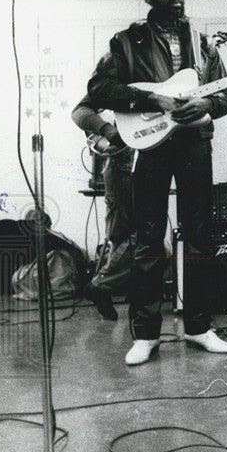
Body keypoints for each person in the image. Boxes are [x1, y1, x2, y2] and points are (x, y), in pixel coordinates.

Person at [87, 0, 227, 365]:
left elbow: (225, 97)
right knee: (148, 237)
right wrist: (153, 99)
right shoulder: (126, 41)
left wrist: (209, 102)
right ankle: (146, 333)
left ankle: (200, 327)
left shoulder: (204, 44)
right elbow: (98, 87)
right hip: (150, 145)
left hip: (194, 145)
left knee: (200, 234)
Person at [71, 98, 133, 320]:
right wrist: (109, 141)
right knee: (127, 235)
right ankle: (101, 286)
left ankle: (104, 287)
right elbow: (80, 114)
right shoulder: (108, 88)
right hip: (121, 170)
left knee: (124, 238)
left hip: (142, 169)